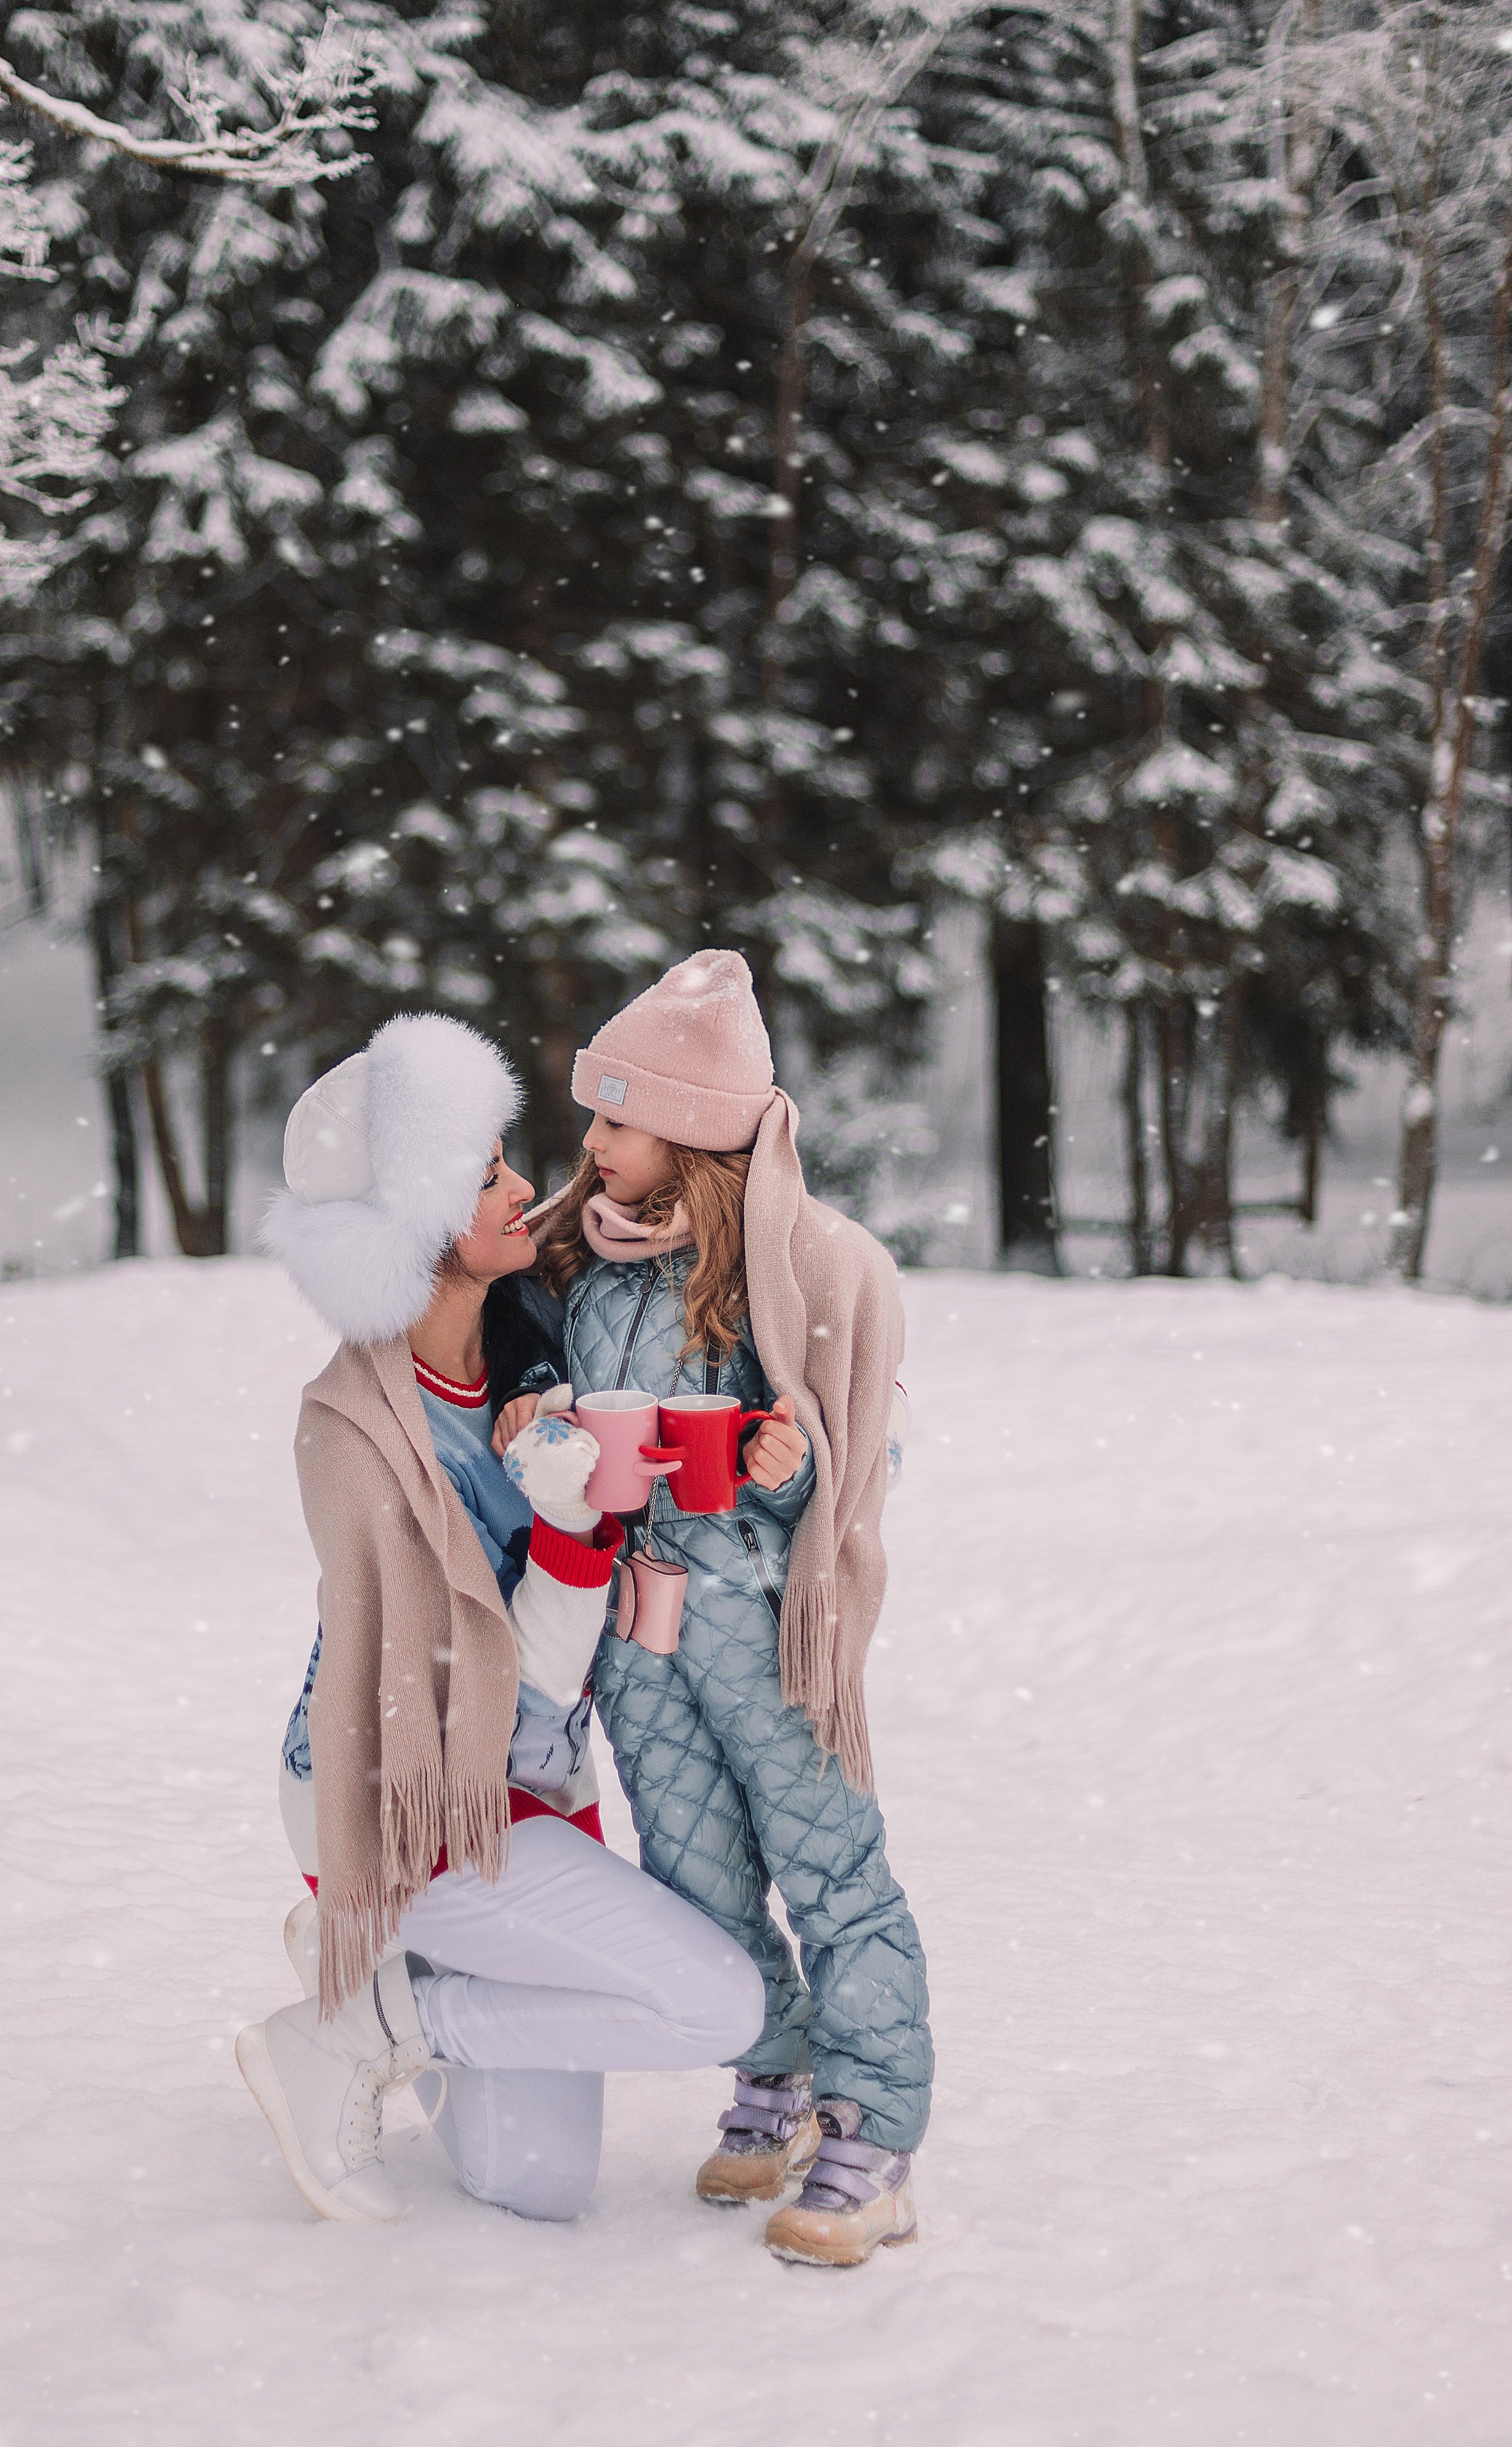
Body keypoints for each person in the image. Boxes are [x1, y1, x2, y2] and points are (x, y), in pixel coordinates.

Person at [242, 1011, 763, 2227]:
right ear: (415, 1226)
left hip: (528, 1783)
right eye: (485, 1176)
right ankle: (369, 2018)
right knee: (717, 2006)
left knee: (534, 2183)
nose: (529, 1187)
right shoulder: (361, 1433)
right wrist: (575, 1534)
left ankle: (385, 1986)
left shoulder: (537, 1329)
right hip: (408, 1799)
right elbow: (497, 1686)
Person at [500, 949, 931, 2268]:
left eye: (617, 1120)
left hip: (763, 1632)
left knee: (830, 1869)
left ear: (689, 1135)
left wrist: (789, 1468)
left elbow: (867, 1457)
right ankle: (775, 2074)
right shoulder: (577, 1265)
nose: (592, 1144)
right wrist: (543, 1416)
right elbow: (540, 1400)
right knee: (695, 1879)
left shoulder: (795, 1272)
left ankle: (874, 2137)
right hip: (637, 1642)